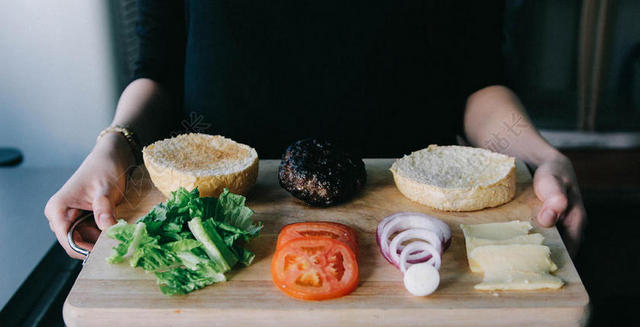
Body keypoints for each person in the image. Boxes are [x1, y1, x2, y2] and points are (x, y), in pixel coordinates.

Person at [45, 0, 586, 258]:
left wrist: (541, 154)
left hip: (415, 243)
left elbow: (479, 83)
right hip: (225, 241)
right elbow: (157, 73)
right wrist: (112, 148)